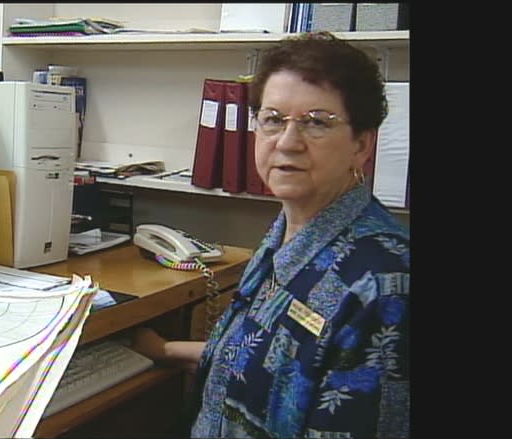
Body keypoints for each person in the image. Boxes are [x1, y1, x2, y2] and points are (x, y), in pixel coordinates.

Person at [131, 31, 409, 438]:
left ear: (361, 145)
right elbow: (268, 361)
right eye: (273, 120)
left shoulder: (383, 286)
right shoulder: (286, 237)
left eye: (317, 122)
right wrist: (165, 351)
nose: (288, 142)